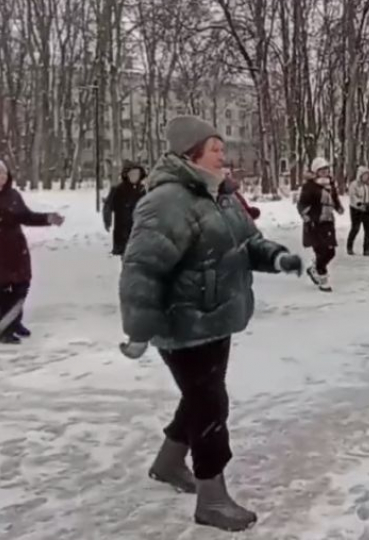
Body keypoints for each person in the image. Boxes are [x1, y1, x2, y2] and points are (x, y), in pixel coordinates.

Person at [118, 115, 303, 533]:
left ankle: (167, 464)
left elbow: (247, 242)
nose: (224, 153)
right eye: (215, 147)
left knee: (199, 397)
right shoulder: (165, 202)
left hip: (216, 319)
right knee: (209, 404)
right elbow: (142, 270)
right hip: (183, 324)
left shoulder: (219, 196)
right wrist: (138, 330)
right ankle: (212, 499)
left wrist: (276, 256)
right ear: (191, 153)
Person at [0, 158, 65, 344]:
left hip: (15, 248)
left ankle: (14, 322)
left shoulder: (13, 195)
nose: (3, 176)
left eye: (4, 172)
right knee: (1, 289)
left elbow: (26, 216)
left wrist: (48, 218)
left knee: (21, 285)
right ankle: (5, 329)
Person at [298, 157, 344, 292]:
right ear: (315, 171)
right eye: (321, 170)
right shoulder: (310, 186)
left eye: (326, 169)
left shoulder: (330, 184)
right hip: (314, 223)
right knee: (321, 251)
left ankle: (315, 269)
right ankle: (323, 279)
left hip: (328, 222)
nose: (324, 172)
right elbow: (302, 204)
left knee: (330, 251)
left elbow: (334, 198)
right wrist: (306, 216)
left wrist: (338, 207)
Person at [103, 161, 147, 256]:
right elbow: (108, 205)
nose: (135, 176)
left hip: (139, 230)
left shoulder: (143, 190)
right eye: (132, 174)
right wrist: (107, 220)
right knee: (126, 255)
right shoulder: (118, 190)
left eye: (137, 174)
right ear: (127, 175)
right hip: (122, 230)